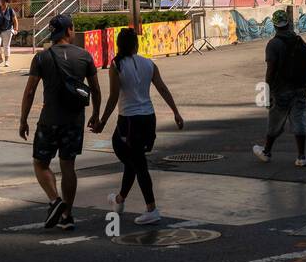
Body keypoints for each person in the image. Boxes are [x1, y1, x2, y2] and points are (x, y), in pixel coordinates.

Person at [93, 26, 184, 224]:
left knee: (134, 160)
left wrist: (102, 121)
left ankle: (151, 208)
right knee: (134, 160)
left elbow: (114, 96)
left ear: (119, 45)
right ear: (136, 44)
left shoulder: (116, 65)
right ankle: (119, 200)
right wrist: (175, 111)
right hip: (148, 118)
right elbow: (162, 88)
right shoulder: (149, 64)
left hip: (129, 119)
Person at [20, 14, 101, 231]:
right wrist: (96, 114)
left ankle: (55, 200)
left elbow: (29, 92)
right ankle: (67, 215)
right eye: (73, 28)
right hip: (74, 121)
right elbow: (95, 88)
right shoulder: (84, 56)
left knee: (40, 162)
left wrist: (23, 120)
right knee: (68, 166)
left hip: (49, 121)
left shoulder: (41, 58)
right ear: (68, 31)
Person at [252, 9, 306, 167]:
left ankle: (266, 152)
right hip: (300, 87)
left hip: (281, 89)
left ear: (274, 25)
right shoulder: (298, 40)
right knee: (298, 120)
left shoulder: (274, 44)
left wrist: (267, 89)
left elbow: (271, 69)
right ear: (288, 23)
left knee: (274, 121)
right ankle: (301, 157)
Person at [0, 0, 18, 67]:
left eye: (5, 2)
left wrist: (16, 29)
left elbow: (15, 20)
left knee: (6, 46)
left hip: (8, 30)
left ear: (7, 3)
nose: (3, 3)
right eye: (2, 2)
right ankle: (0, 59)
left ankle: (6, 61)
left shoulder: (10, 10)